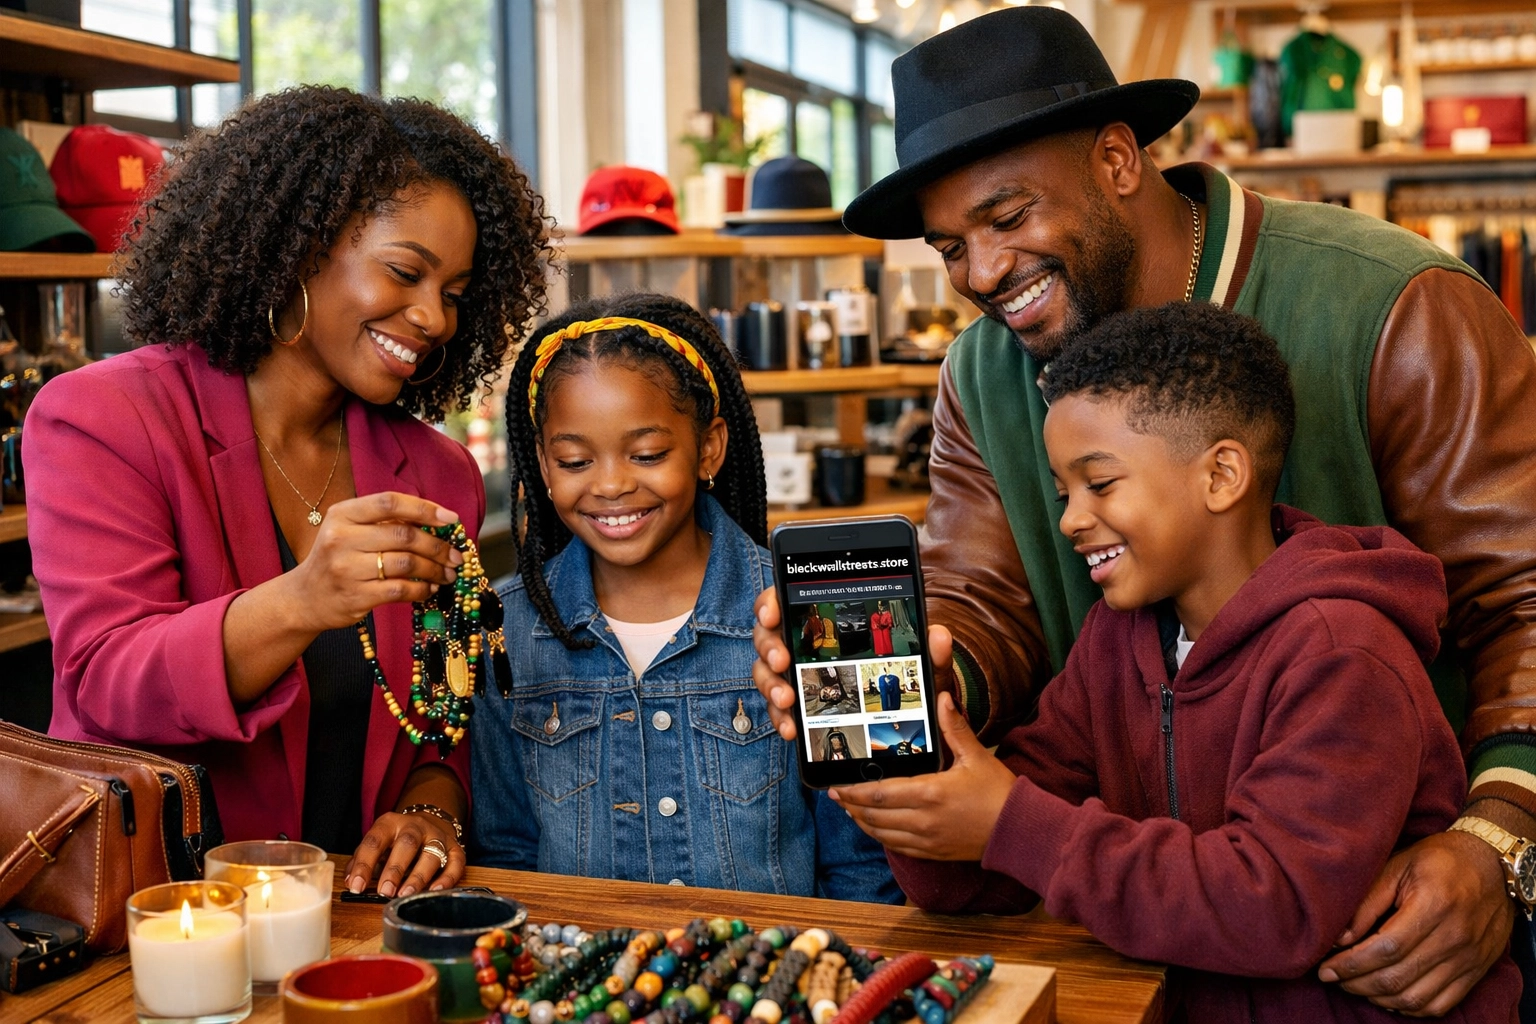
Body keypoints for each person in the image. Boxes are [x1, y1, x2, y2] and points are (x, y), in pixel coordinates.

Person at [750, 8, 1536, 1012]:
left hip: (1387, 952)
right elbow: (986, 605)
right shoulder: (982, 377)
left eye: (1008, 216)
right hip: (1149, 966)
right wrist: (923, 687)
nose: (981, 274)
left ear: (1119, 160)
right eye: (951, 246)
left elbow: (1523, 598)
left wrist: (1499, 836)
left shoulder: (1395, 306)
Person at [836, 304, 1521, 1021]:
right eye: (1064, 492)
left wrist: (1010, 822)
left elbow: (1273, 908)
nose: (1070, 519)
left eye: (1100, 485)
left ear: (1222, 475)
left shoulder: (1342, 652)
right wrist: (916, 791)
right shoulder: (1114, 641)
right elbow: (984, 874)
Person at [23, 86, 551, 899]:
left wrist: (431, 808)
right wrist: (303, 599)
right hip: (159, 916)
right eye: (405, 272)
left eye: (453, 293)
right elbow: (108, 680)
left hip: (355, 917)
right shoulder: (105, 419)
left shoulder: (438, 476)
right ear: (301, 247)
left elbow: (440, 716)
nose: (434, 318)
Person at [468, 294, 897, 902]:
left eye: (647, 455)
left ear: (709, 448)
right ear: (542, 463)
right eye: (574, 460)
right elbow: (504, 857)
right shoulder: (503, 630)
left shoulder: (814, 609)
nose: (611, 484)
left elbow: (864, 866)